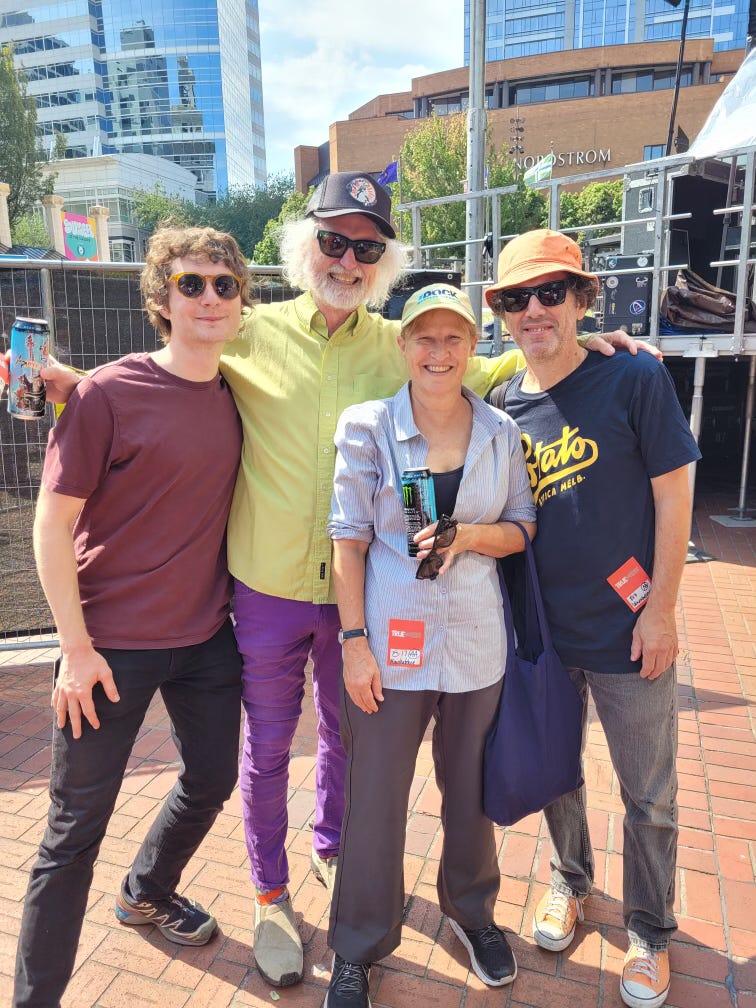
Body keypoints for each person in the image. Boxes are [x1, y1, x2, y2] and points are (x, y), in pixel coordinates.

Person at [32, 172, 655, 989]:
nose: (348, 259)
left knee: (347, 746)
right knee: (264, 755)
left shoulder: (397, 345)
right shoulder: (248, 327)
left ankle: (336, 857)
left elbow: (486, 362)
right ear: (308, 244)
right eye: (335, 240)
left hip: (364, 604)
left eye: (367, 247)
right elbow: (176, 350)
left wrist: (582, 348)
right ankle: (269, 891)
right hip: (263, 587)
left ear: (382, 262)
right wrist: (85, 384)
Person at [13, 226, 251, 1008]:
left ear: (242, 300)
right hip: (108, 647)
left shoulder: (238, 391)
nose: (209, 296)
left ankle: (146, 890)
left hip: (208, 639)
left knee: (213, 777)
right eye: (191, 284)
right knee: (73, 834)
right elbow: (50, 523)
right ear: (160, 299)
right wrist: (73, 649)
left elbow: (172, 421)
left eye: (224, 283)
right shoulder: (105, 394)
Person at [486, 229, 701, 1008]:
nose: (534, 310)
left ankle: (649, 929)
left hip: (629, 628)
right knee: (558, 773)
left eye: (551, 293)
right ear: (503, 314)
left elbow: (675, 496)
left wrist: (663, 610)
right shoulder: (503, 401)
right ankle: (571, 883)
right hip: (543, 633)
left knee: (648, 793)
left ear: (582, 299)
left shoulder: (633, 380)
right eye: (516, 298)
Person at [323, 284, 536, 1008]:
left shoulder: (501, 433)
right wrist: (355, 643)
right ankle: (358, 943)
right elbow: (347, 542)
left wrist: (469, 536)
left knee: (470, 794)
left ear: (474, 346)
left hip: (476, 645)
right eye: (424, 337)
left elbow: (522, 528)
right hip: (390, 645)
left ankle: (471, 912)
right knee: (375, 798)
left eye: (453, 338)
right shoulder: (367, 427)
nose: (438, 352)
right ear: (402, 345)